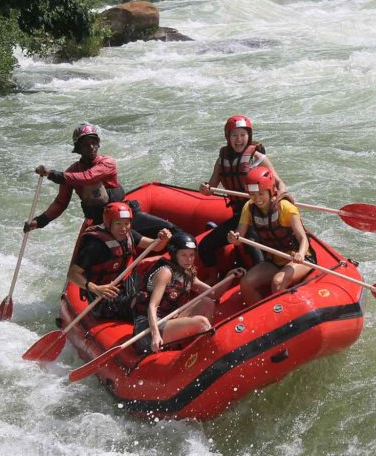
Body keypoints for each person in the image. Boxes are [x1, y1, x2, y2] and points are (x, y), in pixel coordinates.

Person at [24, 123, 178, 238]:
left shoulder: (107, 163)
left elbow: (88, 177)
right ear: (78, 148)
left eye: (94, 142)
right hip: (99, 222)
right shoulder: (71, 172)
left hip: (123, 218)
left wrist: (52, 174)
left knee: (171, 229)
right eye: (85, 144)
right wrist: (39, 221)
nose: (91, 147)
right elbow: (60, 203)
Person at [198, 115, 286, 272]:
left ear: (249, 136)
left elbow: (280, 183)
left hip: (257, 212)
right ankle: (214, 276)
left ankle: (262, 279)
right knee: (205, 246)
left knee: (251, 242)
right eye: (234, 135)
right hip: (239, 216)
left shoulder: (257, 157)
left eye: (242, 135)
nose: (239, 139)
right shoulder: (221, 160)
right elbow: (210, 187)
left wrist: (281, 196)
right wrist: (205, 188)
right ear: (228, 137)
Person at [133, 232, 240, 354]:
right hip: (148, 329)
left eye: (191, 255)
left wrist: (230, 276)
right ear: (174, 255)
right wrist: (156, 335)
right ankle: (206, 352)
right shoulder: (165, 273)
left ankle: (195, 348)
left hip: (169, 321)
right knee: (202, 322)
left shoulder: (187, 273)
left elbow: (213, 293)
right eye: (183, 255)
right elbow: (152, 306)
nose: (189, 259)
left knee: (207, 302)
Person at [67, 202, 170, 321]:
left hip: (126, 286)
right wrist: (96, 288)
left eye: (127, 223)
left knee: (165, 294)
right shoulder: (94, 245)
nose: (123, 228)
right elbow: (72, 274)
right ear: (108, 223)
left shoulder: (129, 235)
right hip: (104, 298)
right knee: (143, 303)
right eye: (118, 224)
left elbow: (156, 246)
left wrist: (163, 239)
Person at [227, 166, 315, 304]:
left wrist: (301, 254)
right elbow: (239, 238)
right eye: (253, 195)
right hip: (275, 260)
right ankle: (260, 315)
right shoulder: (249, 208)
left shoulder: (285, 208)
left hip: (301, 259)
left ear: (271, 191)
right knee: (246, 283)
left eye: (261, 194)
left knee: (277, 281)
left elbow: (302, 238)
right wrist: (233, 237)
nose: (257, 199)